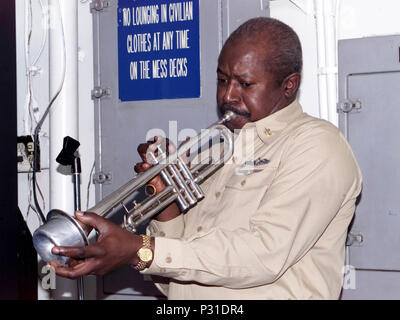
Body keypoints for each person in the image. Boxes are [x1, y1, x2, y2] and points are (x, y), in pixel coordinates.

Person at [50, 17, 362, 299]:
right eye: (223, 80)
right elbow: (176, 282)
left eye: (245, 83)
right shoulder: (216, 150)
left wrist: (141, 250)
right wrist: (166, 209)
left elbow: (263, 254)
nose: (228, 95)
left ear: (289, 86)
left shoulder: (317, 146)